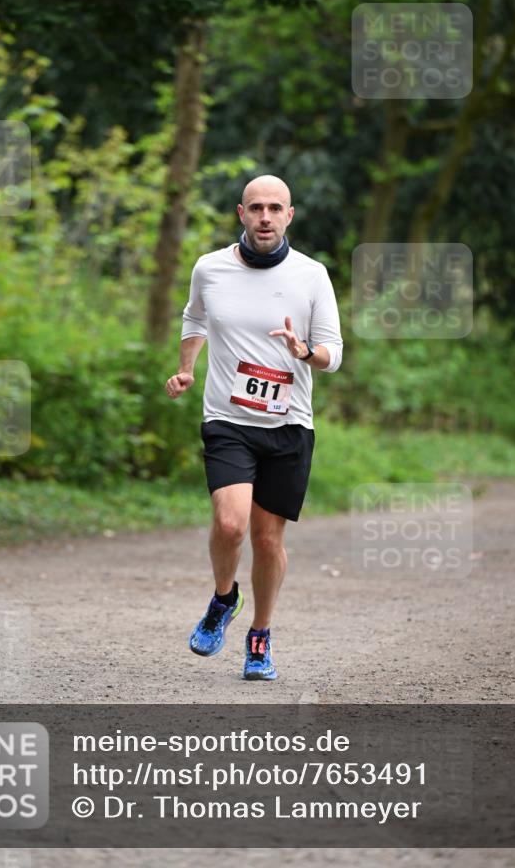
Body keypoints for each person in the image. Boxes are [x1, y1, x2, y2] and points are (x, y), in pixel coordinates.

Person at [164, 175, 343, 680]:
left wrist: (303, 351)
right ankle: (224, 599)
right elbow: (193, 318)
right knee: (229, 524)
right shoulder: (210, 268)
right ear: (241, 213)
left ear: (290, 216)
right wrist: (186, 368)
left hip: (288, 426)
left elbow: (334, 354)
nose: (266, 217)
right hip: (228, 419)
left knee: (267, 541)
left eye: (276, 208)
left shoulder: (312, 275)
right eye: (256, 207)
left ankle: (260, 634)